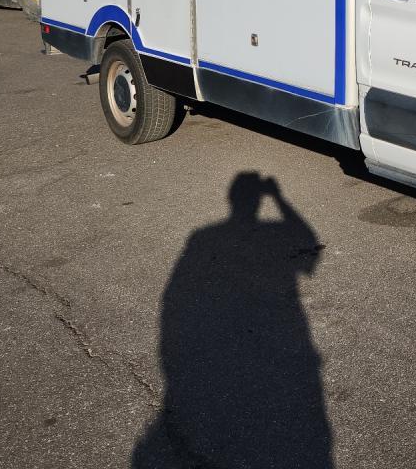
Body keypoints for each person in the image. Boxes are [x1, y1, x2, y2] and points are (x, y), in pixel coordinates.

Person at [134, 171, 331, 468]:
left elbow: (174, 297)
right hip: (280, 341)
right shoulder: (214, 237)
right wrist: (278, 198)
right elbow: (307, 243)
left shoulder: (202, 238)